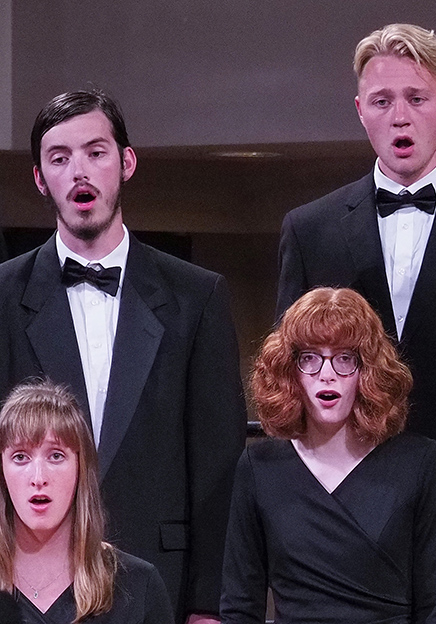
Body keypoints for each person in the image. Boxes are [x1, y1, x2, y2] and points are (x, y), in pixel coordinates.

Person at [276, 23, 436, 605]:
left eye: (417, 98)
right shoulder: (310, 229)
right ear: (360, 110)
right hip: (344, 513)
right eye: (383, 101)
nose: (400, 116)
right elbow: (288, 380)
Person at [0, 90, 247, 623]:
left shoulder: (196, 296)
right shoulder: (2, 295)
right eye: (60, 159)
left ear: (126, 162)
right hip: (25, 589)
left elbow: (218, 464)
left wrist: (209, 605)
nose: (79, 172)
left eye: (96, 152)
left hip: (160, 585)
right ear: (41, 179)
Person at [220, 287, 436, 623]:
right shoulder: (260, 468)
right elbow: (240, 606)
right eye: (310, 358)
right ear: (290, 372)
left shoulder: (419, 463)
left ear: (368, 371)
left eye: (345, 358)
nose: (326, 373)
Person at [0, 380, 173, 623]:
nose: (38, 478)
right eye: (20, 457)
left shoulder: (137, 585)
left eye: (56, 456)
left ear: (81, 468)